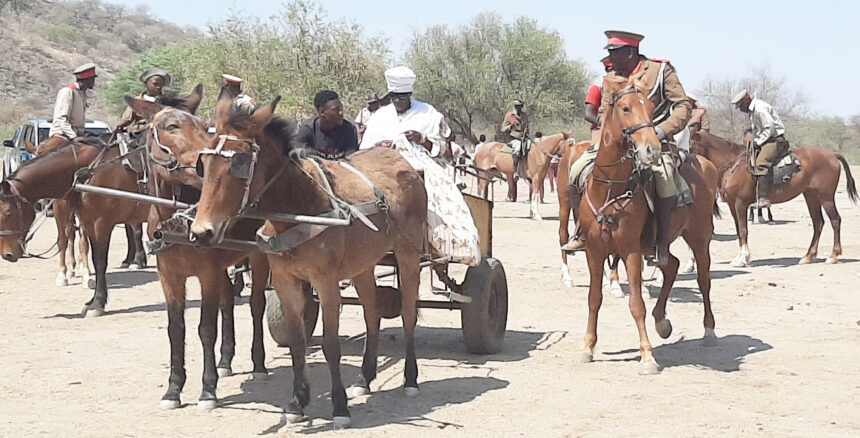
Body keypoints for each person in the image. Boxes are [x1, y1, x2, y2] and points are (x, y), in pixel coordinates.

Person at [563, 30, 692, 267]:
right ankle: (581, 231)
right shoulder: (612, 78)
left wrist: (661, 131)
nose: (611, 58)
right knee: (576, 171)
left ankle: (659, 245)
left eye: (615, 53)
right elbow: (603, 114)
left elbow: (683, 106)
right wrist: (605, 144)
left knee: (664, 181)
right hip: (617, 148)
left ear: (630, 52)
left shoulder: (660, 71)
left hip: (654, 144)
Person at [360, 66, 480, 265]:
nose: (397, 101)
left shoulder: (428, 113)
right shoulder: (379, 117)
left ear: (409, 95)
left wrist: (422, 139)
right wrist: (379, 146)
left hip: (419, 162)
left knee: (431, 193)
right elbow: (363, 149)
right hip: (381, 164)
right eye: (394, 97)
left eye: (402, 96)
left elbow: (446, 149)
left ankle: (441, 241)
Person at [731, 90, 790, 207]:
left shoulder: (759, 108)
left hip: (774, 140)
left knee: (761, 163)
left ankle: (764, 198)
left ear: (746, 101)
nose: (739, 109)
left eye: (740, 105)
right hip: (766, 139)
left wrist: (757, 142)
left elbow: (770, 129)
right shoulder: (753, 111)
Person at [296, 90, 359, 160]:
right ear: (322, 112)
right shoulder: (307, 129)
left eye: (341, 108)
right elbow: (299, 160)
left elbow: (351, 160)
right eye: (336, 110)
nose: (341, 112)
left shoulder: (349, 130)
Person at [116, 68, 171, 141]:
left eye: (161, 85)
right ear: (146, 83)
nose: (158, 87)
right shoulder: (137, 101)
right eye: (155, 84)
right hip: (140, 135)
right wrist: (120, 127)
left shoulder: (165, 102)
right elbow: (127, 119)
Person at [49, 63, 97, 139]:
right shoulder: (68, 91)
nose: (94, 82)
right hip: (62, 135)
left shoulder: (81, 94)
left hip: (76, 134)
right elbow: (61, 120)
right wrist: (73, 136)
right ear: (87, 79)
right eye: (92, 79)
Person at [500, 99, 529, 170]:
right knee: (518, 147)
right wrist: (510, 126)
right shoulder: (510, 115)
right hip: (512, 137)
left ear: (522, 106)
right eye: (516, 106)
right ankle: (515, 168)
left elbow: (527, 127)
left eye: (519, 106)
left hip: (523, 137)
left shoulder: (524, 115)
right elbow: (503, 128)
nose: (518, 108)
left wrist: (526, 132)